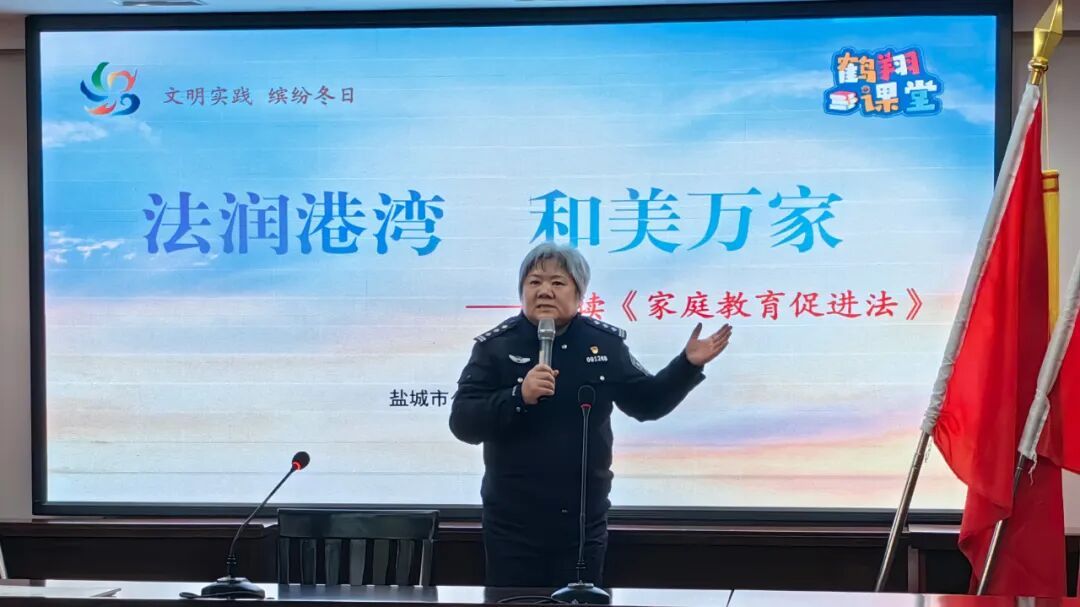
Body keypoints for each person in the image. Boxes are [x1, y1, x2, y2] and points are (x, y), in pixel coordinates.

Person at [449, 242, 732, 588]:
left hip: (581, 525)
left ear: (579, 293)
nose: (544, 291)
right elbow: (462, 422)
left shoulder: (604, 345)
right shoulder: (495, 347)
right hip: (512, 525)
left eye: (557, 282)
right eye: (534, 282)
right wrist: (517, 396)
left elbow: (647, 403)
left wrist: (686, 366)